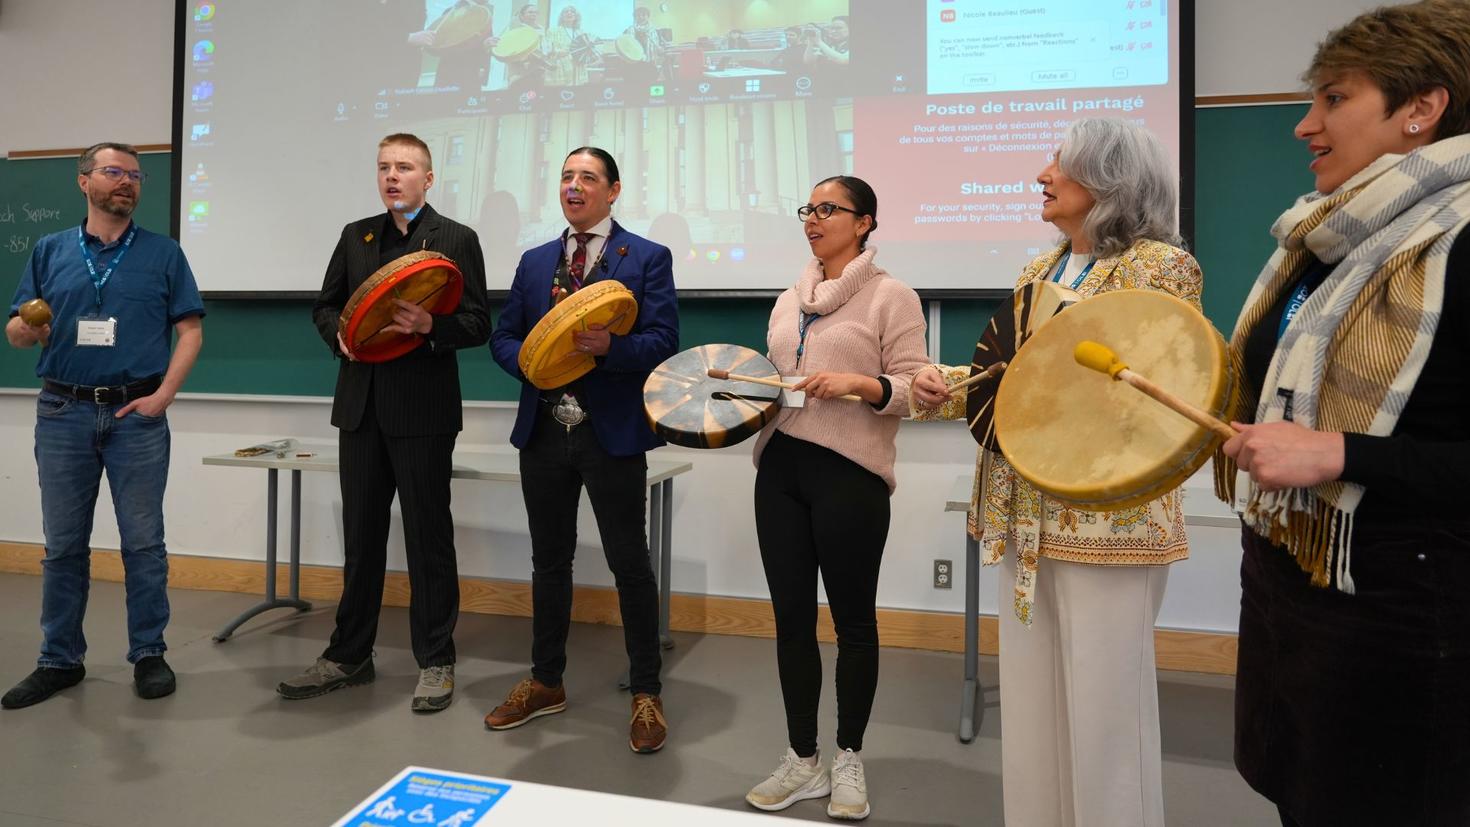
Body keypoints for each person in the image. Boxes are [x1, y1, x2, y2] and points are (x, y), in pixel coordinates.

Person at [1216, 3, 1470, 824]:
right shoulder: (1325, 242)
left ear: (1420, 110)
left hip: (1410, 623)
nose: (1304, 125)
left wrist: (1339, 454)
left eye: (1333, 100)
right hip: (1298, 595)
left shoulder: (1459, 241)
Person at [912, 117, 1201, 827]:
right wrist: (944, 385)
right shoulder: (1038, 272)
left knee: (1107, 719)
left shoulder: (1159, 267)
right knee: (1034, 709)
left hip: (1107, 517)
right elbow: (1016, 377)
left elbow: (1142, 392)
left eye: (1059, 165)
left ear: (1108, 180)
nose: (1042, 176)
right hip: (1023, 513)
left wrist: (1003, 384)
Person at [280, 133, 490, 712]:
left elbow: (478, 323)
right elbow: (326, 306)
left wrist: (431, 327)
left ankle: (436, 661)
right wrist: (344, 343)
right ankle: (349, 656)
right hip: (360, 408)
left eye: (404, 167)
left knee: (428, 538)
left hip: (423, 412)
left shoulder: (455, 239)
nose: (392, 177)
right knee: (362, 540)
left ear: (429, 178)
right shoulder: (357, 235)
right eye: (383, 167)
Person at [743, 176, 929, 821]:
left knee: (854, 622)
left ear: (866, 222)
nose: (813, 220)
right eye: (809, 209)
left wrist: (859, 383)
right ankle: (802, 759)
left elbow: (913, 388)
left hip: (851, 471)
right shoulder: (787, 299)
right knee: (791, 619)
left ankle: (849, 757)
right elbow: (774, 379)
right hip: (781, 468)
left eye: (829, 209)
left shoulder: (891, 296)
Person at [486, 147, 679, 753]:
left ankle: (646, 690)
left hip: (613, 433)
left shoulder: (646, 257)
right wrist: (527, 362)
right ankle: (547, 681)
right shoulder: (535, 260)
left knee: (630, 563)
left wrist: (607, 349)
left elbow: (662, 341)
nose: (573, 186)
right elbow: (504, 336)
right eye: (566, 177)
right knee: (549, 561)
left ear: (613, 190)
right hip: (543, 431)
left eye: (587, 178)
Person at [1, 142, 205, 709]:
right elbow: (17, 328)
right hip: (62, 413)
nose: (127, 183)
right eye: (114, 172)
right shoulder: (50, 250)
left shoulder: (164, 254)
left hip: (135, 414)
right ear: (83, 181)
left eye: (135, 176)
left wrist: (163, 395)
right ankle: (59, 660)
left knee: (143, 545)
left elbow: (190, 330)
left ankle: (148, 653)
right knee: (63, 547)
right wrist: (27, 330)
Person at [545, 6, 595, 87]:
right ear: (562, 16)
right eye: (566, 11)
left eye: (572, 11)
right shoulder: (553, 30)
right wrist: (561, 52)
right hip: (560, 67)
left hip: (578, 68)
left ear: (576, 16)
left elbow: (586, 50)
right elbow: (547, 49)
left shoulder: (581, 32)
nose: (569, 13)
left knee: (578, 95)